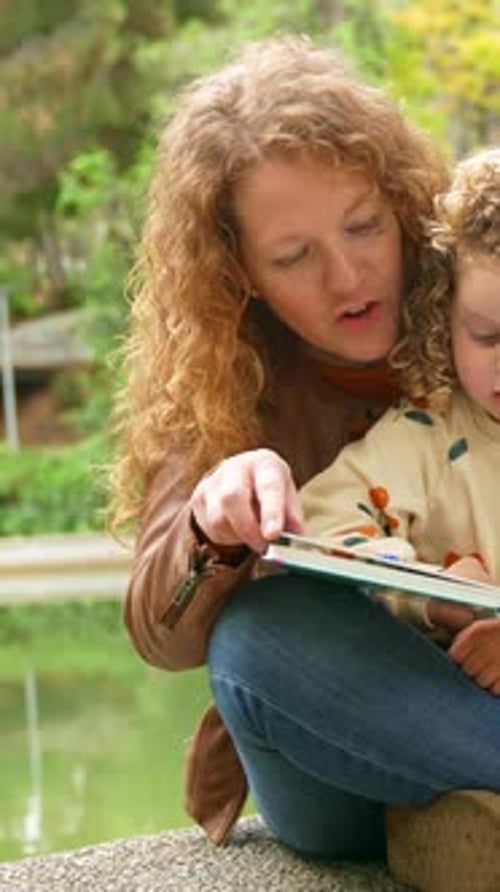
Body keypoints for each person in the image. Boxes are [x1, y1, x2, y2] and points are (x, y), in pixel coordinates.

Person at [109, 34, 500, 892]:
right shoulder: (222, 379)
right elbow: (157, 632)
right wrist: (214, 529)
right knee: (255, 638)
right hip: (343, 749)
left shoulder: (482, 294)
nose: (349, 273)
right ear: (239, 272)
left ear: (401, 205)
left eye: (365, 226)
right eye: (294, 257)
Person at [301, 146, 500, 679]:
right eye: (488, 337)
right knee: (260, 631)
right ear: (444, 322)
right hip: (450, 718)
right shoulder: (426, 432)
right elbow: (322, 524)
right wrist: (434, 593)